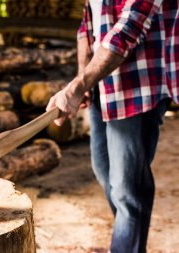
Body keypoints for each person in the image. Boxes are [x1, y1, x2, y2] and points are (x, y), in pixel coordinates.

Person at [45, 1, 179, 252]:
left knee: (127, 189)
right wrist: (83, 78)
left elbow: (130, 26)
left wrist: (76, 87)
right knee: (105, 171)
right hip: (102, 86)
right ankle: (129, 241)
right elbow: (88, 24)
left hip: (139, 85)